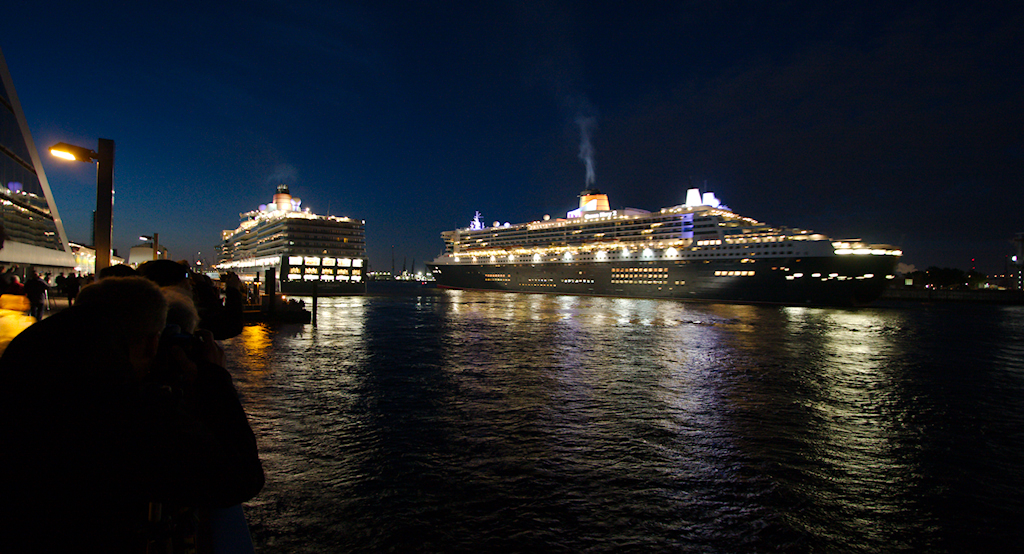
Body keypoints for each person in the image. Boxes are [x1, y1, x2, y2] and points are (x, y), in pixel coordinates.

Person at [0, 276, 264, 552]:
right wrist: (215, 380)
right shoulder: (119, 403)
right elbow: (240, 478)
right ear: (152, 343)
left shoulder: (28, 360)